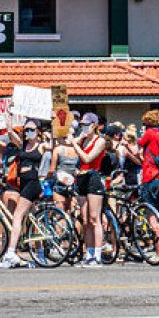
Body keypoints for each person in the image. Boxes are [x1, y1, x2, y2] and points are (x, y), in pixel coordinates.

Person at [0, 121, 48, 269]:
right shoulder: (22, 145)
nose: (28, 132)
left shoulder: (41, 145)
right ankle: (40, 253)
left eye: (31, 129)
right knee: (33, 220)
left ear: (38, 131)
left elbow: (54, 145)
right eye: (26, 130)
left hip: (32, 183)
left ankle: (11, 252)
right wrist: (8, 121)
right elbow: (11, 134)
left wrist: (54, 129)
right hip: (23, 184)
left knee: (17, 216)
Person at [70, 113, 107, 268]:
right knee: (85, 220)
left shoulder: (100, 141)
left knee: (94, 218)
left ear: (94, 125)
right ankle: (89, 252)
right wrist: (77, 140)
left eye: (87, 124)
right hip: (82, 178)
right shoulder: (83, 140)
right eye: (82, 125)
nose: (84, 127)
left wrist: (75, 144)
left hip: (93, 177)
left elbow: (87, 158)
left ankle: (97, 255)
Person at [138, 109, 159, 211]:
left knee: (150, 210)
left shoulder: (150, 132)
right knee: (157, 208)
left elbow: (140, 143)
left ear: (149, 121)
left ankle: (154, 222)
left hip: (150, 175)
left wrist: (130, 140)